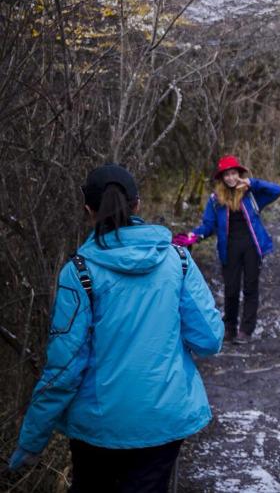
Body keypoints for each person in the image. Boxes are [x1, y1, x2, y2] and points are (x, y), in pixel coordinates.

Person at [7, 164, 223, 490]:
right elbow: (209, 339)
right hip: (162, 418)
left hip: (98, 427)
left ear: (88, 210)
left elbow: (64, 368)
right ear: (137, 204)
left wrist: (32, 441)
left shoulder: (78, 272)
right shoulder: (178, 261)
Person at [177, 155, 280, 343]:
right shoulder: (215, 199)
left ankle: (246, 330)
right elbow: (208, 225)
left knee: (250, 288)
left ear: (239, 174)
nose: (231, 178)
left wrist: (252, 183)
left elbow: (277, 190)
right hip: (229, 249)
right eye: (226, 175)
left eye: (234, 173)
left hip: (252, 247)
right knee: (231, 290)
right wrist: (194, 235)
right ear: (222, 178)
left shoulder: (251, 194)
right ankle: (230, 329)